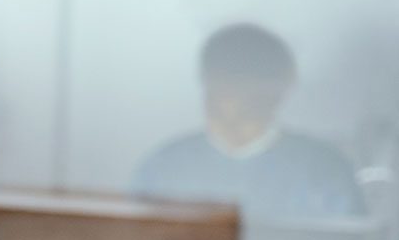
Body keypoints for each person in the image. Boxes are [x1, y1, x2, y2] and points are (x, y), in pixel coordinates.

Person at [132, 23, 365, 220]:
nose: (234, 97)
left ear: (282, 87)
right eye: (225, 80)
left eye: (250, 84)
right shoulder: (164, 168)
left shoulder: (323, 171)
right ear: (206, 80)